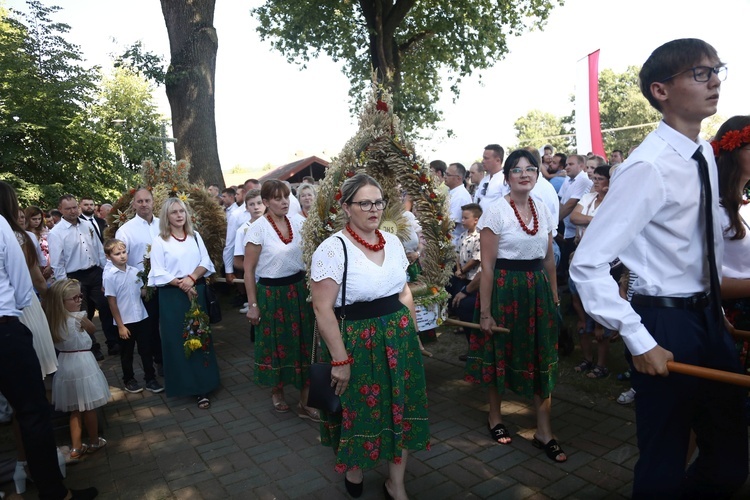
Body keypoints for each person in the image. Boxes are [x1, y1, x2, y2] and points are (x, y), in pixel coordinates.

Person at [570, 39, 748, 497]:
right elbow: (587, 264)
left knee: (729, 454)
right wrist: (639, 339)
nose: (715, 81)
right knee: (664, 456)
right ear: (661, 90)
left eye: (717, 70)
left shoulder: (703, 154)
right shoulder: (647, 166)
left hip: (707, 317)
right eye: (700, 73)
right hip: (664, 321)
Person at [311, 173, 430, 499]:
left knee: (400, 407)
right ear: (347, 207)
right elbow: (322, 309)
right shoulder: (332, 250)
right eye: (365, 203)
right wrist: (340, 360)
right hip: (355, 342)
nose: (373, 209)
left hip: (398, 338)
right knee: (358, 408)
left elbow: (403, 291)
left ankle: (396, 482)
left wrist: (413, 333)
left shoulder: (391, 242)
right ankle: (354, 466)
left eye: (377, 202)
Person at [465, 150, 565, 463]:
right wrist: (485, 311)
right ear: (507, 177)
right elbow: (489, 266)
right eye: (517, 170)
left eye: (530, 169)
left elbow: (549, 259)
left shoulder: (544, 208)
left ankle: (544, 430)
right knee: (500, 351)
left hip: (537, 291)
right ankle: (495, 416)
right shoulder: (495, 211)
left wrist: (553, 295)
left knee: (541, 353)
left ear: (537, 175)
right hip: (505, 289)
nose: (524, 174)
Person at [0, 213, 98, 500]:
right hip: (5, 325)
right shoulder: (4, 226)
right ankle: (56, 494)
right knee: (33, 411)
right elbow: (21, 281)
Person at [243, 180, 317, 418]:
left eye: (286, 197)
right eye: (277, 198)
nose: (284, 202)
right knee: (277, 343)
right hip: (271, 295)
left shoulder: (299, 222)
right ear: (265, 202)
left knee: (304, 343)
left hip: (298, 290)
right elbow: (248, 271)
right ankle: (277, 391)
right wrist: (253, 305)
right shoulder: (258, 228)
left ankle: (305, 401)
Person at [148, 198, 220, 409]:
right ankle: (184, 385)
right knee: (178, 341)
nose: (179, 215)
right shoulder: (160, 241)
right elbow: (158, 270)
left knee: (199, 336)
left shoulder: (195, 237)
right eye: (174, 212)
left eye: (182, 211)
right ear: (166, 217)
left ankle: (203, 386)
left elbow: (205, 262)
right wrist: (182, 284)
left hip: (195, 291)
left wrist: (191, 279)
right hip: (172, 297)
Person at [46, 279, 110, 463]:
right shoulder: (78, 318)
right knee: (88, 406)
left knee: (74, 409)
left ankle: (76, 446)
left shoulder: (54, 320)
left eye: (80, 296)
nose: (80, 300)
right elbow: (91, 329)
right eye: (75, 297)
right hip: (82, 362)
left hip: (65, 363)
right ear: (62, 302)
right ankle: (94, 440)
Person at [48, 194, 118, 358]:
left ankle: (113, 342)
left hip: (95, 272)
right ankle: (93, 345)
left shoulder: (88, 225)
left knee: (106, 306)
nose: (72, 211)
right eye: (68, 209)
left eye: (74, 207)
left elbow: (100, 250)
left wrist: (106, 272)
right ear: (60, 210)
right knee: (83, 313)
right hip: (74, 276)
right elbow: (57, 263)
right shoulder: (56, 233)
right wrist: (65, 286)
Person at [569, 166, 616, 379]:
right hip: (580, 256)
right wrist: (596, 221)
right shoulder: (589, 197)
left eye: (600, 178)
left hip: (603, 261)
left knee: (600, 316)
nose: (595, 182)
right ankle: (587, 359)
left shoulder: (615, 200)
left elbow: (611, 226)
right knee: (581, 312)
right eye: (594, 178)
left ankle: (602, 363)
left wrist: (588, 221)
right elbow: (574, 218)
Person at [103, 238, 164, 394]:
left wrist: (148, 287)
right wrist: (121, 326)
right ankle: (129, 379)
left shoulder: (135, 272)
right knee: (127, 353)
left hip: (141, 317)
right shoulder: (110, 276)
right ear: (108, 256)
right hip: (125, 321)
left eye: (124, 252)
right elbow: (112, 303)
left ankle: (150, 379)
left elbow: (141, 293)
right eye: (117, 254)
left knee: (146, 349)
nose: (122, 256)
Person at [713, 116, 750, 372]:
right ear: (732, 151)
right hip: (732, 318)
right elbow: (706, 284)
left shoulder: (745, 201)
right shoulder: (713, 209)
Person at [115, 187, 163, 376]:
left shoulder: (163, 224)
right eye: (140, 201)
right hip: (144, 287)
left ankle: (170, 357)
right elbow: (119, 261)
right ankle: (158, 360)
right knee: (150, 328)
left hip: (168, 283)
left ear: (153, 202)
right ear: (134, 204)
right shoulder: (125, 230)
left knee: (167, 324)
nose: (144, 204)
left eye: (147, 200)